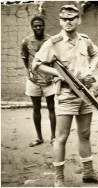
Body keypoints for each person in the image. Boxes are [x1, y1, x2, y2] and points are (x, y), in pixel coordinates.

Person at [32, 5, 98, 186]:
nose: (68, 22)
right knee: (61, 137)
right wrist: (57, 74)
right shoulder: (53, 43)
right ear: (60, 21)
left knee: (84, 133)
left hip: (85, 94)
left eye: (72, 18)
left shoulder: (84, 40)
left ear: (78, 20)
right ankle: (58, 178)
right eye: (64, 19)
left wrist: (90, 69)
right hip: (66, 93)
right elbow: (37, 64)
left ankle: (88, 173)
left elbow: (96, 54)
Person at [21, 16, 56, 147]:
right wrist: (30, 71)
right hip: (33, 80)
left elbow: (54, 59)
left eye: (40, 25)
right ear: (32, 27)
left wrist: (52, 74)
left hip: (49, 79)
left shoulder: (50, 40)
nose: (38, 28)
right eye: (35, 26)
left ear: (44, 26)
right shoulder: (26, 41)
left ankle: (53, 137)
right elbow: (25, 58)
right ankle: (39, 137)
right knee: (36, 108)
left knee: (51, 107)